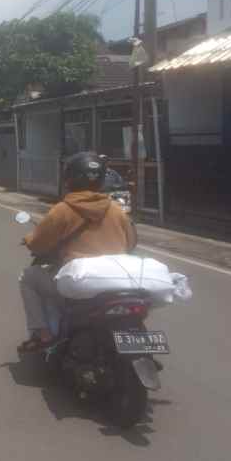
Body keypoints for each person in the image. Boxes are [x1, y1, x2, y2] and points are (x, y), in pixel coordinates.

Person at [17, 151, 137, 353]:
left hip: (79, 283)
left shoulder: (62, 210)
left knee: (28, 278)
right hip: (118, 281)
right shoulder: (117, 209)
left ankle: (43, 335)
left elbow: (38, 244)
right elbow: (131, 243)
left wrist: (29, 240)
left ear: (69, 179)